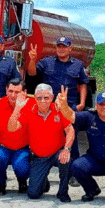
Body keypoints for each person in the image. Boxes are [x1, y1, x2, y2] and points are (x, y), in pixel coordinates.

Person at [27, 36, 89, 185]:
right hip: (48, 107)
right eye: (59, 46)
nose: (61, 49)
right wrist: (32, 60)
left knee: (71, 141)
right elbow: (31, 73)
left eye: (64, 46)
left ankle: (73, 175)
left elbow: (83, 84)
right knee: (45, 138)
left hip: (69, 107)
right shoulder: (47, 62)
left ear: (70, 48)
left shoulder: (78, 65)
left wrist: (81, 103)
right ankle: (42, 173)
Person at [8, 84, 76, 202]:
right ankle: (43, 182)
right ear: (34, 98)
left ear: (52, 97)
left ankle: (63, 191)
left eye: (46, 97)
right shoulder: (29, 110)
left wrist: (66, 149)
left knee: (66, 160)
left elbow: (70, 130)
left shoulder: (59, 109)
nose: (43, 101)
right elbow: (11, 128)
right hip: (39, 156)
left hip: (57, 152)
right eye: (39, 98)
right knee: (33, 194)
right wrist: (17, 109)